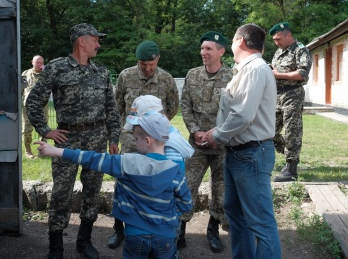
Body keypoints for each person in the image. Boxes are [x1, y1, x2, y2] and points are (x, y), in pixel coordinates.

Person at [34, 111, 193, 259]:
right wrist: (167, 214)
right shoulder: (175, 171)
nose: (134, 142)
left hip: (135, 236)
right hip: (165, 238)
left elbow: (92, 159)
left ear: (147, 141)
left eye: (136, 138)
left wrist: (55, 151)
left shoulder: (126, 163)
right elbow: (186, 204)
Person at [26, 23, 120, 259]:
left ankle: (84, 241)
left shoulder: (101, 72)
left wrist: (113, 138)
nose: (99, 44)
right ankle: (56, 246)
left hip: (97, 139)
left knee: (92, 190)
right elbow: (33, 102)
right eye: (95, 39)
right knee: (61, 193)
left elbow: (111, 108)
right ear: (81, 41)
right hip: (67, 139)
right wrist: (47, 131)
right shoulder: (57, 68)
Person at [202, 23, 281, 258]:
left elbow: (243, 115)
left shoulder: (254, 68)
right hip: (239, 153)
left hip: (251, 154)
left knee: (260, 223)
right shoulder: (246, 69)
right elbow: (238, 113)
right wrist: (218, 131)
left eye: (233, 41)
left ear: (241, 42)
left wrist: (216, 135)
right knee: (236, 215)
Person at [110, 40, 180, 249]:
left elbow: (172, 107)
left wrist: (155, 129)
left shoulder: (166, 78)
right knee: (124, 182)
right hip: (130, 141)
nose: (148, 69)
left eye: (151, 64)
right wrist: (118, 136)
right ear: (137, 62)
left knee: (154, 183)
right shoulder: (125, 76)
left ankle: (150, 228)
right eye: (143, 65)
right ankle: (118, 228)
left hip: (156, 142)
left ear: (158, 59)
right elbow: (117, 107)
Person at [180, 31, 232, 253]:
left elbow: (236, 111)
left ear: (221, 51)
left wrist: (217, 133)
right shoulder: (192, 75)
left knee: (220, 189)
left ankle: (212, 230)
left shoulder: (233, 76)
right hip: (197, 144)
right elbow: (185, 106)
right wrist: (195, 131)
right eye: (202, 48)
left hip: (222, 146)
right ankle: (179, 230)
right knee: (186, 186)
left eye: (208, 49)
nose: (203, 52)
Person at [269, 22, 312, 182]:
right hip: (277, 95)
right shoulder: (279, 52)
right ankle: (288, 152)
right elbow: (274, 69)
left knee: (292, 131)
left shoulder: (301, 50)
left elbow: (302, 73)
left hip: (292, 95)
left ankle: (291, 168)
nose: (276, 42)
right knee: (269, 130)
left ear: (288, 35)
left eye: (278, 39)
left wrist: (278, 75)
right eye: (274, 40)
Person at [21, 55, 48, 159]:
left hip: (42, 106)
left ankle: (42, 151)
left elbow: (52, 85)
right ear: (32, 62)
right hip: (27, 106)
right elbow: (21, 90)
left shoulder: (46, 74)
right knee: (26, 129)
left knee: (43, 127)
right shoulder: (25, 74)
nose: (40, 64)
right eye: (37, 62)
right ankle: (28, 151)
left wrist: (46, 73)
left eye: (41, 62)